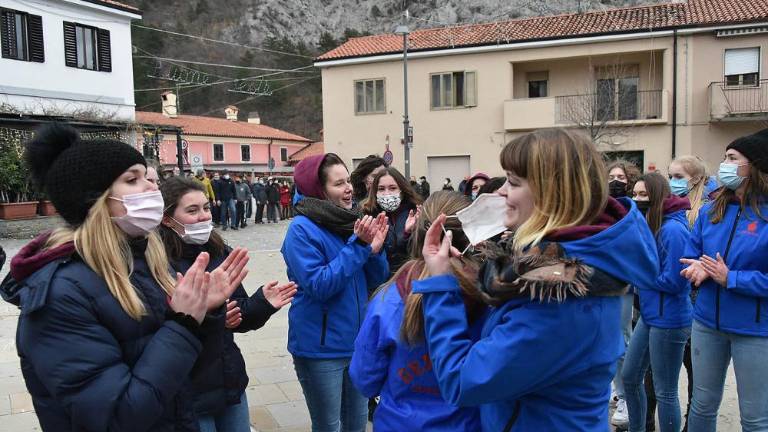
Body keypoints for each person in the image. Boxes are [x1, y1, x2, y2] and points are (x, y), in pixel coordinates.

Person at [0, 123, 244, 430]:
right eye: (132, 179)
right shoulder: (60, 295)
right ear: (95, 200)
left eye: (147, 176)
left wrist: (203, 316)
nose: (152, 187)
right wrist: (183, 324)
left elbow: (181, 380)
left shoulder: (147, 262)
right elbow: (115, 417)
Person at [412, 128, 659, 431]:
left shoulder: (558, 300)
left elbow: (461, 381)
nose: (501, 191)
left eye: (514, 182)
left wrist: (440, 284)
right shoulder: (558, 266)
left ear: (551, 194)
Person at [158, 176, 296, 432]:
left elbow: (238, 314)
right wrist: (212, 315)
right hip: (188, 393)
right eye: (192, 210)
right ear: (167, 219)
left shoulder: (219, 250)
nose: (203, 216)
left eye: (206, 207)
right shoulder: (157, 263)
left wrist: (262, 303)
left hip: (229, 382)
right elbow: (160, 330)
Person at [350, 191, 484, 431]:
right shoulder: (491, 296)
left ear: (420, 233)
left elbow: (364, 379)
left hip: (400, 422)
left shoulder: (389, 299)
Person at [281, 153, 390, 432]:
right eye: (339, 183)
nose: (349, 189)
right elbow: (319, 285)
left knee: (356, 423)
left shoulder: (349, 221)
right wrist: (358, 247)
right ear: (319, 190)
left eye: (348, 181)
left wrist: (373, 250)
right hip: (320, 349)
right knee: (329, 425)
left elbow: (376, 279)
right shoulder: (301, 230)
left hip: (356, 343)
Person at [681, 129, 768, 432]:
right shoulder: (711, 209)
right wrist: (697, 269)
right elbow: (692, 253)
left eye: (732, 158)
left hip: (756, 331)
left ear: (754, 166)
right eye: (725, 157)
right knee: (702, 406)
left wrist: (731, 278)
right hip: (706, 323)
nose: (725, 164)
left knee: (756, 418)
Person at [622, 173, 692, 432]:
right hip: (651, 316)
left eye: (643, 195)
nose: (637, 199)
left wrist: (640, 275)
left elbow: (676, 282)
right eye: (635, 194)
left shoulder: (673, 230)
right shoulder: (652, 224)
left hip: (670, 319)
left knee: (665, 391)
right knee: (630, 378)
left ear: (658, 196)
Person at [605, 158, 645, 429]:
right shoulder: (600, 207)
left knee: (622, 340)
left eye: (621, 177)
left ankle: (625, 394)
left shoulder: (633, 211)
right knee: (605, 338)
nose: (615, 180)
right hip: (601, 282)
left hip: (622, 283)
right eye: (611, 176)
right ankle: (616, 386)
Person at [361, 167, 423, 276]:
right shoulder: (367, 215)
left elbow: (420, 255)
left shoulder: (416, 212)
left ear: (402, 190)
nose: (387, 193)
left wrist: (408, 233)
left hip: (409, 280)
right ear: (375, 192)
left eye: (392, 188)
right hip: (379, 283)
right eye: (381, 189)